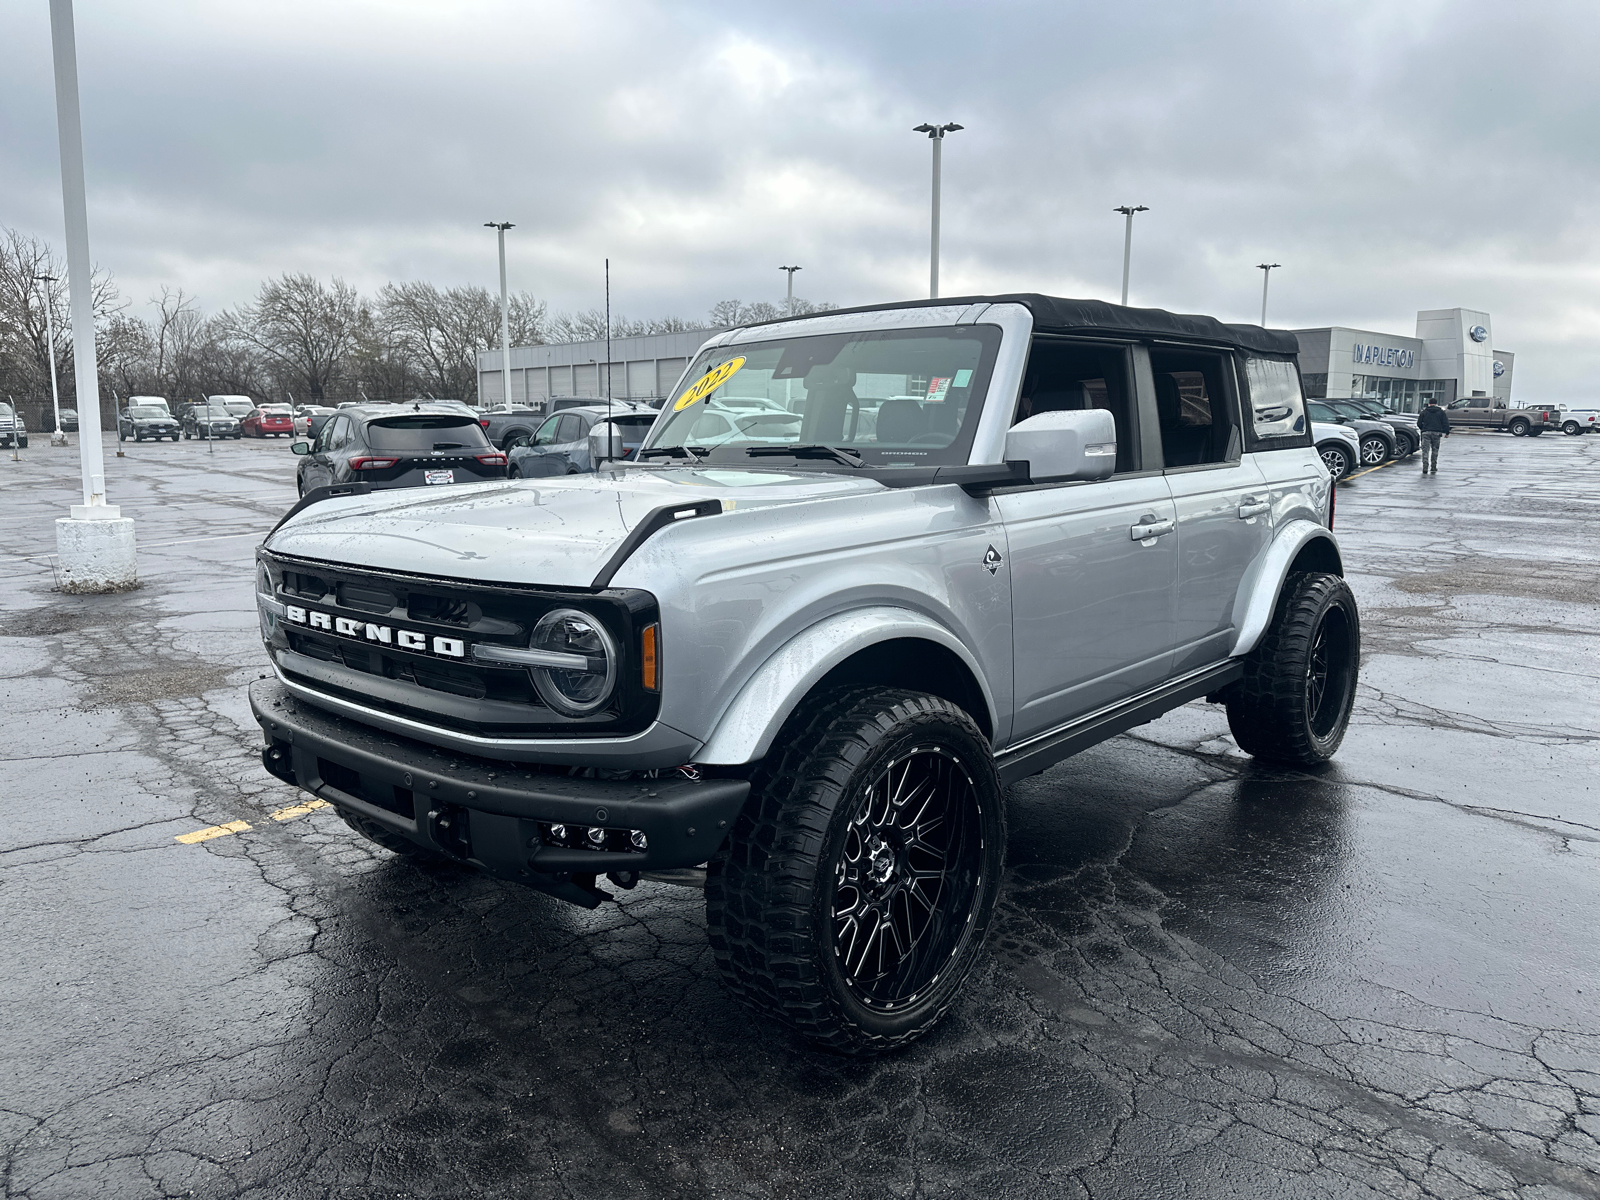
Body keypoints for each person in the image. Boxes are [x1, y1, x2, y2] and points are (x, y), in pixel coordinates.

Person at [1417, 399, 1450, 474]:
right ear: (1436, 404)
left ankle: (1425, 466)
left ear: (1429, 404)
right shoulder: (1441, 412)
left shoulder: (1424, 412)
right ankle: (1433, 466)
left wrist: (1423, 428)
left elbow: (1419, 423)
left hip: (1426, 433)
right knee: (1435, 450)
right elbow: (1445, 422)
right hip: (1437, 433)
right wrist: (1447, 432)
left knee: (1425, 450)